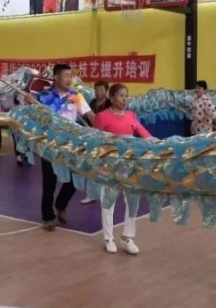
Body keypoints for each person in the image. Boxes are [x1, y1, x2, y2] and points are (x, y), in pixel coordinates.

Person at [27, 64, 95, 231]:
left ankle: (61, 204)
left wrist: (102, 128)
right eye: (66, 76)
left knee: (75, 178)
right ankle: (48, 217)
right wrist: (31, 104)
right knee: (49, 183)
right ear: (56, 77)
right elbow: (36, 117)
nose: (69, 79)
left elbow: (90, 115)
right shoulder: (44, 96)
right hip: (49, 144)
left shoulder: (75, 96)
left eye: (70, 76)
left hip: (70, 145)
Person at [94, 83, 152, 254]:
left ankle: (127, 238)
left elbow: (144, 133)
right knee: (108, 201)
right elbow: (95, 142)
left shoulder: (131, 115)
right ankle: (108, 238)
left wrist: (158, 144)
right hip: (109, 165)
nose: (125, 99)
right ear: (111, 98)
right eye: (121, 95)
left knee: (132, 200)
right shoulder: (102, 117)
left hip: (129, 165)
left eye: (126, 95)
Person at [81, 80, 110, 204]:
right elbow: (85, 116)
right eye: (96, 90)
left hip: (105, 138)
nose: (98, 92)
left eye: (101, 90)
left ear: (106, 91)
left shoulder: (109, 104)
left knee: (104, 168)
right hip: (91, 137)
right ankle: (91, 194)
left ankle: (105, 194)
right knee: (91, 165)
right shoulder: (92, 103)